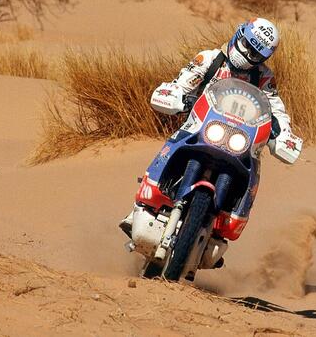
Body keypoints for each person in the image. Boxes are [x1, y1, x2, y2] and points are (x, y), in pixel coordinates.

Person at [119, 17, 301, 236]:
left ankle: (227, 219)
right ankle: (143, 204)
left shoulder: (263, 77)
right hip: (199, 127)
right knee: (176, 142)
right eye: (247, 47)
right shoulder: (210, 59)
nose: (249, 56)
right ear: (239, 35)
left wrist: (282, 134)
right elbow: (184, 81)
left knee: (252, 166)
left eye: (256, 55)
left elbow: (274, 106)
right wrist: (177, 96)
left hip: (239, 139)